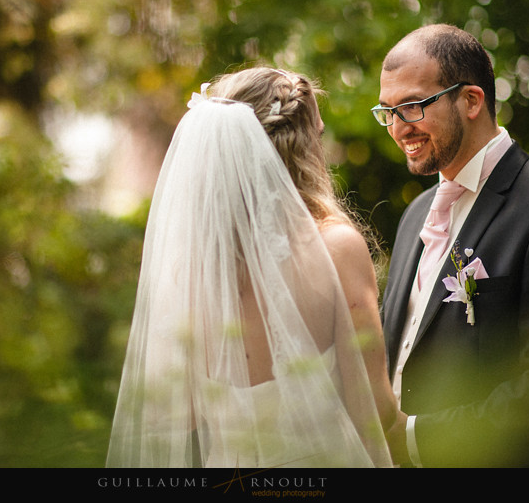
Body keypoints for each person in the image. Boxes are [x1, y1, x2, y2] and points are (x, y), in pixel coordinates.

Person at [107, 67, 397, 468]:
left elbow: (179, 413)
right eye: (319, 133)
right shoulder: (336, 248)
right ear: (302, 147)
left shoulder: (190, 267)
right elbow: (375, 410)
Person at [374, 24, 529, 467]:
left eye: (411, 107)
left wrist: (414, 439)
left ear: (470, 100)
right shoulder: (414, 216)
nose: (398, 128)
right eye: (386, 111)